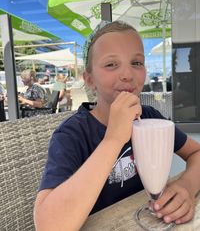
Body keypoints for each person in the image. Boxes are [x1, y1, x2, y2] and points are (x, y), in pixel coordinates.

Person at [34, 21, 200, 231]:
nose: (127, 74)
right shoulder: (73, 134)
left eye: (137, 63)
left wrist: (187, 185)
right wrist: (113, 139)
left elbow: (197, 153)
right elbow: (49, 226)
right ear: (90, 79)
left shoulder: (150, 119)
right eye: (111, 64)